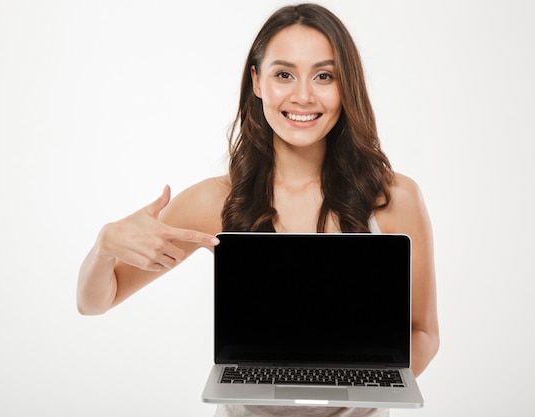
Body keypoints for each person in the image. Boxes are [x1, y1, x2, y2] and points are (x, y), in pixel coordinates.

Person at [77, 3, 439, 416]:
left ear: (346, 86)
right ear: (257, 81)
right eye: (284, 74)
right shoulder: (215, 201)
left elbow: (424, 333)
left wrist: (358, 381)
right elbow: (94, 302)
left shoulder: (394, 198)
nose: (303, 95)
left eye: (324, 76)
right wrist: (104, 246)